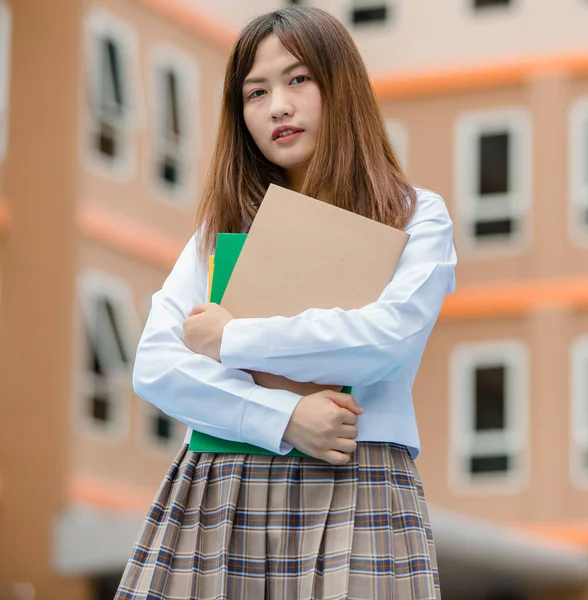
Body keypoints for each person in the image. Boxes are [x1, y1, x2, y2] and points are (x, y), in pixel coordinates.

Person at [115, 6, 456, 600]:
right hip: (224, 487)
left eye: (298, 79)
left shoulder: (414, 215)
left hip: (359, 478)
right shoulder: (219, 232)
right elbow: (157, 364)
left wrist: (232, 340)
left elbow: (383, 339)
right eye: (255, 91)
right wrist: (284, 418)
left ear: (340, 86)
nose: (277, 106)